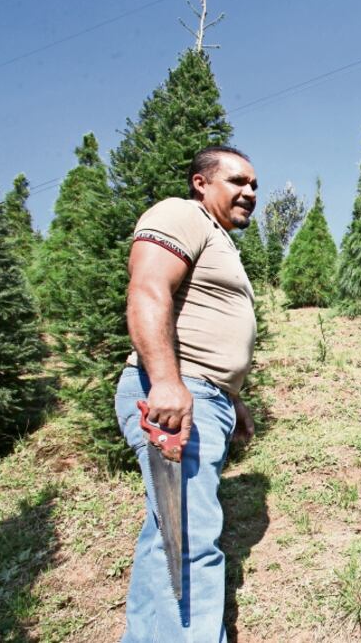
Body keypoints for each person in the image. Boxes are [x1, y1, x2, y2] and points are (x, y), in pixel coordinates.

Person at [114, 145, 259, 642]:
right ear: (202, 182)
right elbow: (148, 289)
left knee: (167, 538)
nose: (250, 192)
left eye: (254, 185)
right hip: (177, 392)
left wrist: (231, 396)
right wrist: (168, 381)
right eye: (238, 181)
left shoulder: (217, 237)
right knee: (190, 542)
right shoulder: (180, 214)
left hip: (201, 391)